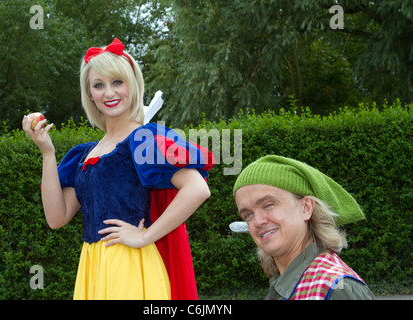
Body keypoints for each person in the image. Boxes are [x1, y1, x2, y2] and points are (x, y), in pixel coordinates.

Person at [23, 38, 214, 300]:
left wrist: (145, 237)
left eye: (117, 82)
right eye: (99, 85)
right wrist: (47, 152)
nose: (109, 93)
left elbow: (197, 188)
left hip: (130, 267)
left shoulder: (143, 140)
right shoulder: (84, 155)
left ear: (132, 86)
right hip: (92, 267)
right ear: (90, 94)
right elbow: (57, 218)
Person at [233, 155, 375, 300]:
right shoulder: (283, 283)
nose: (258, 221)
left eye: (269, 205)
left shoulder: (335, 289)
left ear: (306, 207)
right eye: (248, 215)